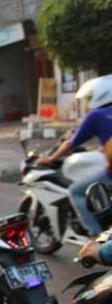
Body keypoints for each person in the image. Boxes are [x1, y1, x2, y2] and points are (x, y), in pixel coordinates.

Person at [37, 74, 112, 237]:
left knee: (76, 191)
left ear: (101, 94)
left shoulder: (96, 115)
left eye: (91, 96)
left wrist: (51, 158)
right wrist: (99, 150)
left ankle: (96, 236)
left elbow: (71, 143)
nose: (89, 100)